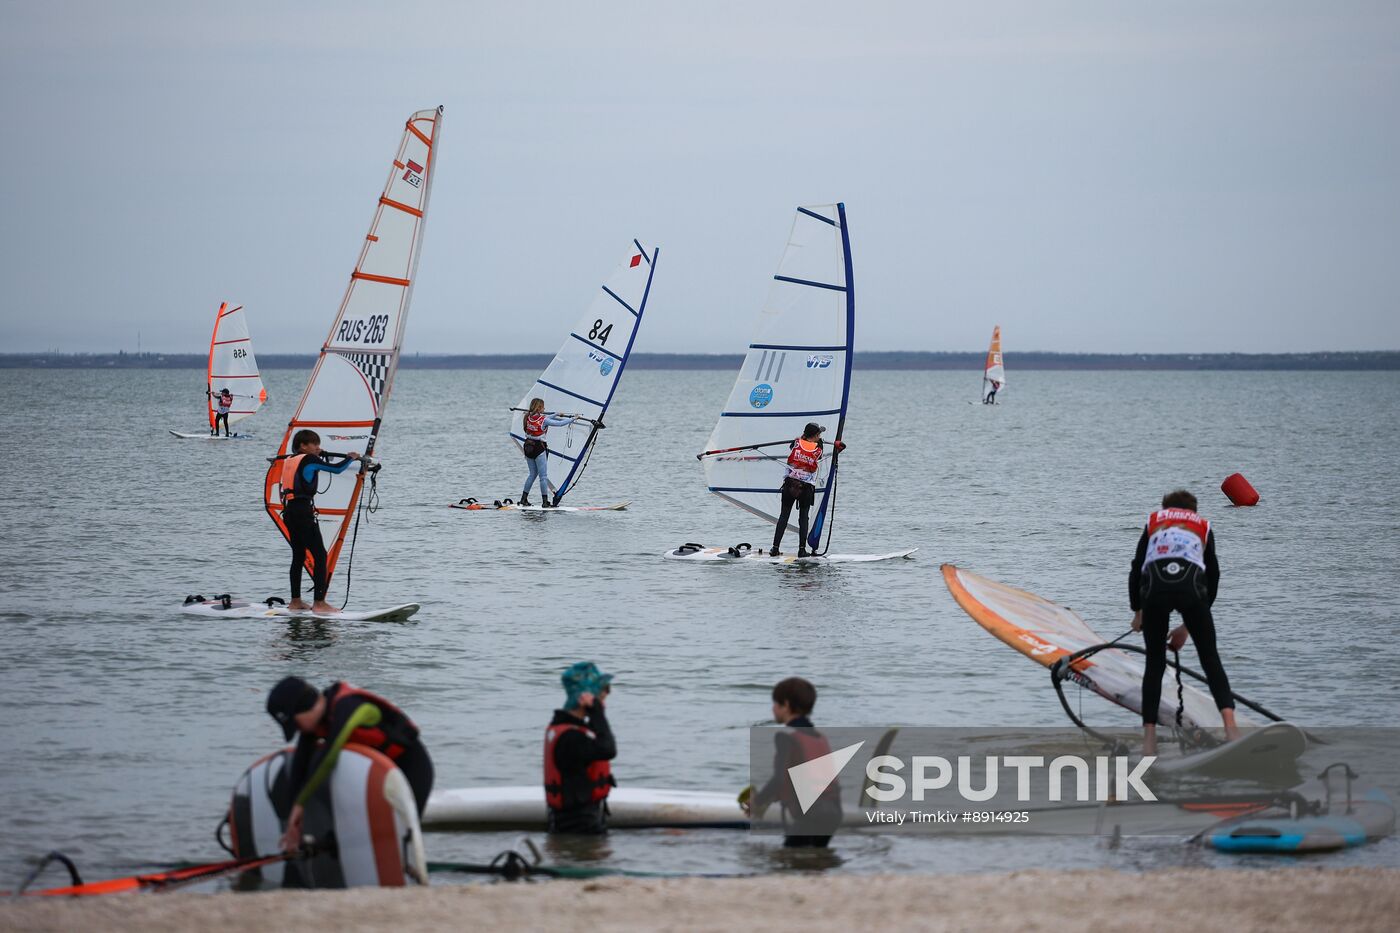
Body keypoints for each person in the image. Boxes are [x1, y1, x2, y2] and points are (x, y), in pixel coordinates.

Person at [265, 676, 433, 854]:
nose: (298, 730)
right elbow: (298, 771)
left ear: (306, 706)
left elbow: (328, 758)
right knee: (358, 831)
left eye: (296, 724)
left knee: (400, 832)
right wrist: (293, 819)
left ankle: (405, 866)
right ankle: (328, 849)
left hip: (412, 770)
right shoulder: (316, 725)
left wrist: (300, 804)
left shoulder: (347, 706)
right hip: (379, 780)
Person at [1129, 489, 1240, 756]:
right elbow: (1213, 575)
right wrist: (1188, 627)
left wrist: (1138, 610)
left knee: (1154, 664)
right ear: (1194, 510)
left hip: (1154, 593)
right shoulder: (1202, 526)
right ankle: (1231, 729)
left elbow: (1137, 567)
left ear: (1165, 508)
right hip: (1191, 592)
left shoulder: (1154, 521)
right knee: (1210, 660)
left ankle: (1149, 742)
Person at [743, 677, 842, 848]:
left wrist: (757, 802)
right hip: (834, 812)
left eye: (775, 703)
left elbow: (779, 778)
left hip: (812, 813)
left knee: (789, 860)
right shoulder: (820, 738)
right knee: (817, 861)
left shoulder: (786, 737)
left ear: (786, 705)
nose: (772, 708)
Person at [278, 429, 360, 613]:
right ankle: (319, 603)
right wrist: (351, 458)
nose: (318, 447)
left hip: (289, 512)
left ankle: (296, 601)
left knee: (298, 556)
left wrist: (320, 454)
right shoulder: (310, 459)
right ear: (303, 446)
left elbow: (308, 470)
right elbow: (337, 469)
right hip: (303, 513)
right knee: (320, 555)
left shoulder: (290, 459)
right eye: (314, 444)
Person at [544, 662, 617, 834]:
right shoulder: (571, 738)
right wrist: (597, 712)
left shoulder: (566, 729)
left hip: (574, 825)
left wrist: (593, 713)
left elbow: (596, 741)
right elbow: (608, 749)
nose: (603, 705)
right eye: (601, 698)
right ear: (586, 698)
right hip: (579, 829)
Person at [770, 423, 845, 558]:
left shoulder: (796, 443)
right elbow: (819, 453)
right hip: (806, 488)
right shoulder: (819, 448)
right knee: (803, 518)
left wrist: (801, 438)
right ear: (816, 436)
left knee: (783, 516)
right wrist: (836, 446)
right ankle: (802, 550)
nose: (820, 437)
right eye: (819, 435)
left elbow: (794, 445)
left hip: (789, 486)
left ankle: (775, 548)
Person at [519, 398, 581, 508]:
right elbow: (559, 424)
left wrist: (555, 414)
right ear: (539, 408)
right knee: (543, 477)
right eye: (543, 407)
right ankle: (545, 502)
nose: (544, 409)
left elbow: (545, 418)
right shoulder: (544, 420)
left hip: (528, 447)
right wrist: (573, 419)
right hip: (539, 448)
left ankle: (523, 499)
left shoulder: (527, 417)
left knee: (532, 474)